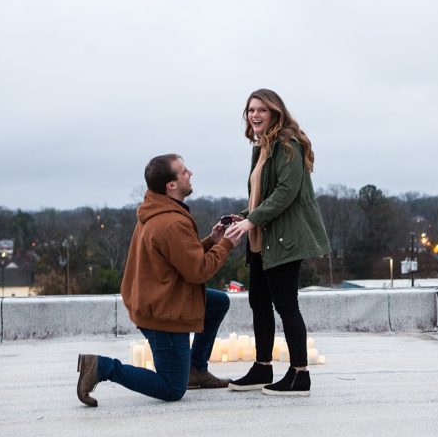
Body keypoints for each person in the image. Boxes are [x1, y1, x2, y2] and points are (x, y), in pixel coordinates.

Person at [76, 153, 239, 407]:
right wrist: (228, 243)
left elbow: (180, 257)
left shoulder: (160, 210)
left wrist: (211, 241)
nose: (190, 173)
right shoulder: (171, 222)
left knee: (217, 302)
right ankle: (101, 367)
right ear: (171, 185)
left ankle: (195, 370)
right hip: (163, 313)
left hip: (157, 298)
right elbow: (198, 271)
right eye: (184, 171)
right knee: (173, 388)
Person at [225, 89, 329, 397]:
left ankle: (300, 374)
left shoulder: (287, 145)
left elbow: (286, 192)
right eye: (250, 110)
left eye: (261, 110)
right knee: (259, 304)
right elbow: (263, 196)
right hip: (262, 237)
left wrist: (251, 221)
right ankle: (262, 367)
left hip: (283, 240)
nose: (254, 115)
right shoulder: (261, 147)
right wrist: (241, 216)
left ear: (275, 113)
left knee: (286, 305)